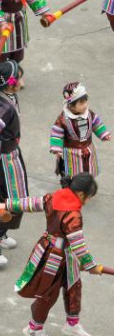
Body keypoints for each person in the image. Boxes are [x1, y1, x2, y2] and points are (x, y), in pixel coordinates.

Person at [0, 173, 101, 336]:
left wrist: (7, 205)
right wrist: (92, 266)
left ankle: (72, 323)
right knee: (47, 293)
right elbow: (78, 245)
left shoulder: (53, 197)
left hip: (59, 252)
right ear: (81, 194)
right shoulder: (73, 215)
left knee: (74, 286)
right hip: (53, 258)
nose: (88, 201)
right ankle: (33, 328)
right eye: (89, 197)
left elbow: (29, 204)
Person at [49, 82, 111, 186]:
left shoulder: (89, 114)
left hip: (88, 149)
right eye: (81, 103)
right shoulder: (63, 119)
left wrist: (103, 134)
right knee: (73, 173)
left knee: (88, 171)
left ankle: (86, 187)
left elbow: (96, 123)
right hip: (71, 153)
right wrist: (57, 149)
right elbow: (56, 133)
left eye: (86, 101)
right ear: (71, 106)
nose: (85, 105)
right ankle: (72, 188)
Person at [0, 61, 26, 267]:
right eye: (20, 77)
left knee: (15, 198)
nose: (22, 82)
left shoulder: (9, 97)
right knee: (6, 200)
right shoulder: (3, 108)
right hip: (2, 158)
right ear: (10, 83)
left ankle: (1, 233)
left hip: (11, 154)